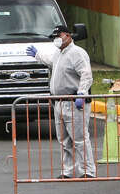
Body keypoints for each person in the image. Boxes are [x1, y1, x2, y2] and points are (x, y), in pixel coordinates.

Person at [26, 26, 95, 178]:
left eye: (59, 35)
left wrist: (81, 94)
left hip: (74, 101)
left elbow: (86, 74)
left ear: (68, 35)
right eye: (54, 36)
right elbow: (51, 61)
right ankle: (67, 171)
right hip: (59, 102)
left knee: (80, 139)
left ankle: (87, 171)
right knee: (64, 141)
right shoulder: (59, 53)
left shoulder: (77, 53)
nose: (56, 38)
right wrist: (37, 55)